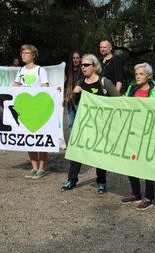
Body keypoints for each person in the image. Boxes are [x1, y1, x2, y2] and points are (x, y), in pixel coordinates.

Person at [61, 54, 119, 193]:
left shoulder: (104, 82)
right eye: (82, 65)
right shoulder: (80, 82)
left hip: (101, 125)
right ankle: (71, 179)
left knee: (99, 153)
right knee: (77, 151)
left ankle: (101, 182)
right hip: (84, 124)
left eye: (86, 65)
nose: (83, 67)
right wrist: (73, 95)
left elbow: (117, 100)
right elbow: (72, 103)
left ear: (95, 66)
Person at [120, 62, 155, 210]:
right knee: (130, 162)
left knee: (147, 165)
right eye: (136, 74)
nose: (138, 77)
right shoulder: (132, 89)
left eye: (141, 74)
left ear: (148, 75)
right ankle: (136, 193)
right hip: (133, 132)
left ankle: (149, 197)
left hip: (148, 134)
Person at [13, 44, 50, 179]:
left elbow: (46, 87)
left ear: (33, 55)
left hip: (38, 110)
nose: (23, 55)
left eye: (27, 53)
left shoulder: (40, 70)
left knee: (40, 139)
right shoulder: (21, 70)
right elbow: (15, 86)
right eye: (22, 52)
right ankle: (34, 167)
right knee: (29, 139)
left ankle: (42, 168)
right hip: (25, 109)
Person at [63, 51, 83, 130]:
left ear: (80, 59)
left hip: (79, 101)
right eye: (74, 58)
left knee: (80, 124)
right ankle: (72, 142)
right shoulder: (69, 71)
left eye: (77, 58)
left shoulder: (83, 71)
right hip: (69, 102)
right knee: (71, 125)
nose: (75, 60)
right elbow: (65, 85)